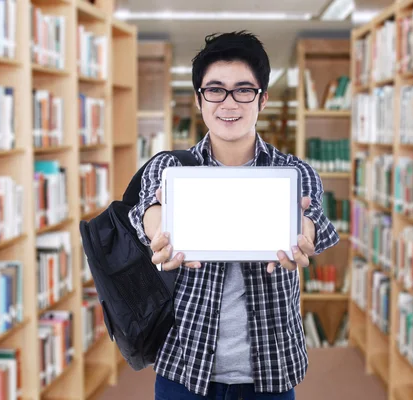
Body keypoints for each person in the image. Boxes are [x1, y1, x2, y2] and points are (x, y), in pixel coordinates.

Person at [128, 31, 339, 400]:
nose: (229, 102)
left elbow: (313, 222)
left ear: (263, 100)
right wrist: (159, 234)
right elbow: (149, 209)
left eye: (244, 90)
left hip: (271, 371)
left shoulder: (295, 173)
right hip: (184, 368)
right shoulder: (168, 167)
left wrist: (302, 234)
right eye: (215, 90)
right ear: (199, 99)